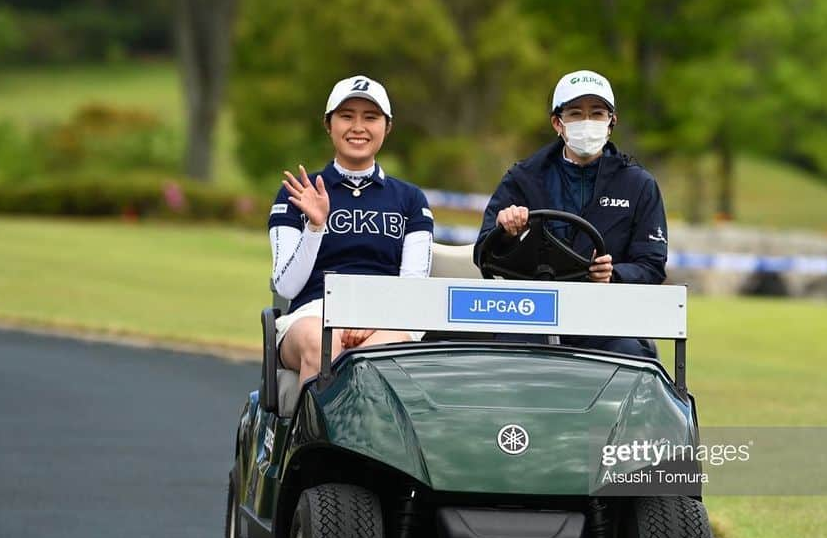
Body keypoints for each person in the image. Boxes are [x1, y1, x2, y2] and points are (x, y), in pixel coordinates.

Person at [473, 70, 667, 359]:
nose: (587, 122)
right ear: (558, 123)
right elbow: (484, 252)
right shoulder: (523, 178)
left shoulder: (639, 185)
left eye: (597, 113)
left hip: (605, 319)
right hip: (530, 314)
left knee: (630, 354)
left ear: (611, 121)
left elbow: (652, 264)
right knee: (509, 353)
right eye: (576, 113)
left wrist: (613, 274)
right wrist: (505, 232)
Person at [269, 75, 434, 380]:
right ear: (328, 124)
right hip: (313, 313)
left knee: (375, 358)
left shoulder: (411, 199)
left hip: (388, 317)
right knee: (322, 345)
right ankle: (318, 430)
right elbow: (286, 287)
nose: (358, 127)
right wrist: (315, 227)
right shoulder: (298, 192)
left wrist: (374, 315)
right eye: (346, 116)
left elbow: (414, 288)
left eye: (370, 117)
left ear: (387, 127)